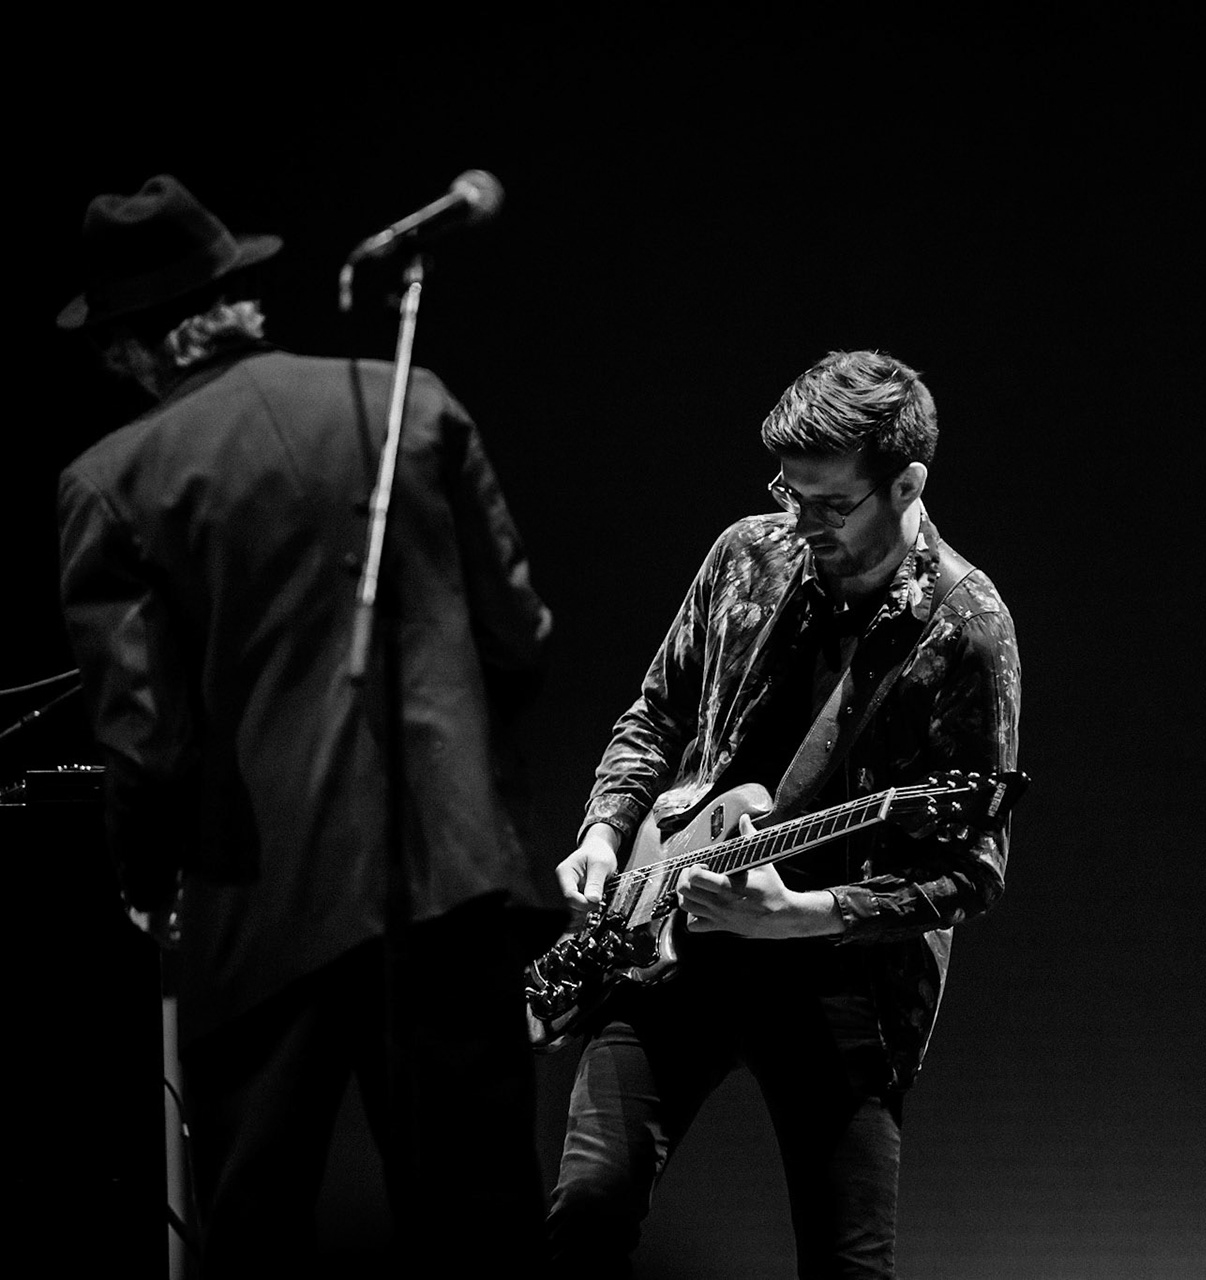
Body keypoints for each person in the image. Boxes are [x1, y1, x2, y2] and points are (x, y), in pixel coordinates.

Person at [54, 174, 557, 1276]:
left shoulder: (110, 481)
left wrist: (144, 875)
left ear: (137, 347)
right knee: (484, 1232)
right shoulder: (410, 403)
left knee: (256, 1237)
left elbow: (144, 736)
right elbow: (519, 634)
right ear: (237, 297)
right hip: (451, 879)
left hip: (262, 899)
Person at [545, 349, 1022, 1277]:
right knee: (587, 1211)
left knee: (848, 1266)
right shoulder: (745, 553)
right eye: (788, 493)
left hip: (838, 978)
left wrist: (802, 917)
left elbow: (976, 870)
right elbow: (656, 714)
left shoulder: (966, 627)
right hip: (669, 925)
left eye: (830, 504)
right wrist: (605, 831)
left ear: (907, 483)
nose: (800, 522)